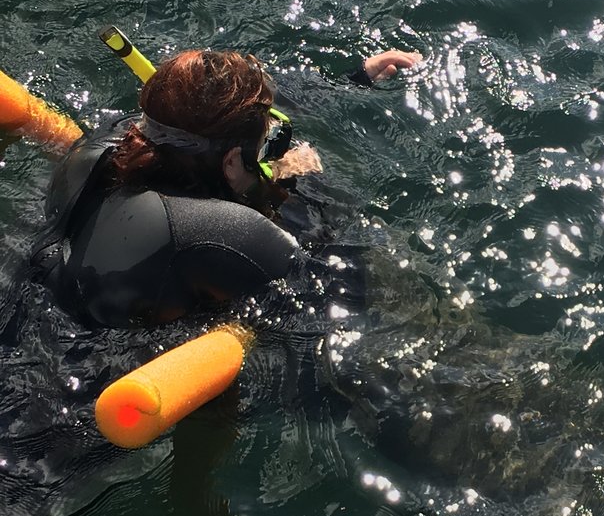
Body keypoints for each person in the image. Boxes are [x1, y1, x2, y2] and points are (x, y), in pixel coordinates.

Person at [30, 47, 420, 328]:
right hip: (86, 393)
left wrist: (356, 78)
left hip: (28, 309)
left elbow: (215, 112)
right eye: (267, 145)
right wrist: (302, 184)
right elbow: (340, 293)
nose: (273, 155)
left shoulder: (107, 145)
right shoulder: (223, 233)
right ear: (232, 162)